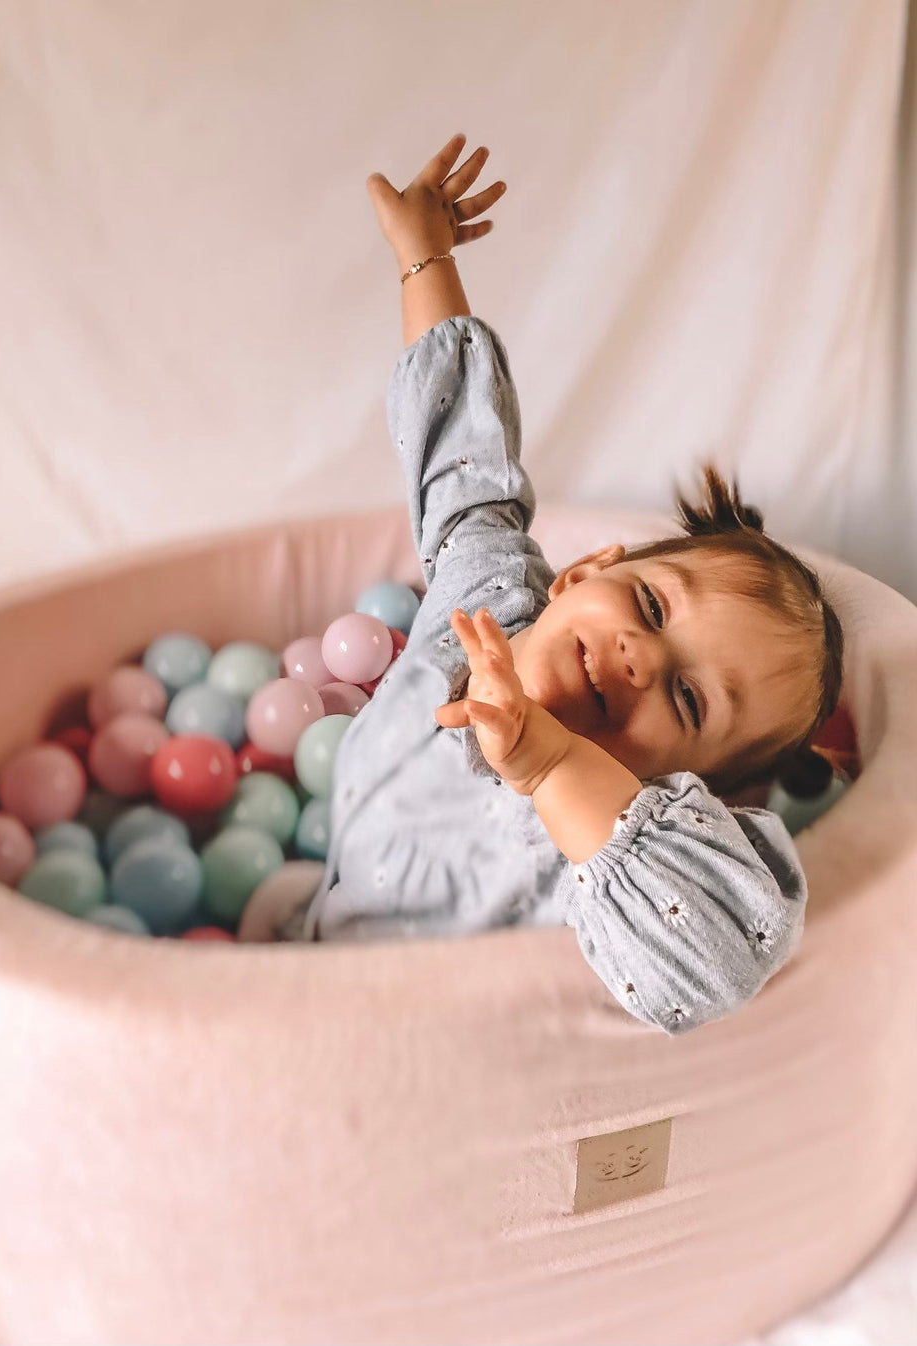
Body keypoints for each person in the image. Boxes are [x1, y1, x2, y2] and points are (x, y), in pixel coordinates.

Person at [286, 134, 846, 1036]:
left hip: (403, 1069)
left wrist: (550, 767)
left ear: (692, 795)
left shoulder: (605, 866)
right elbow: (465, 470)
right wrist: (424, 258)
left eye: (690, 700)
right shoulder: (493, 598)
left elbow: (727, 950)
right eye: (653, 608)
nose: (639, 658)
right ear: (585, 572)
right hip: (308, 938)